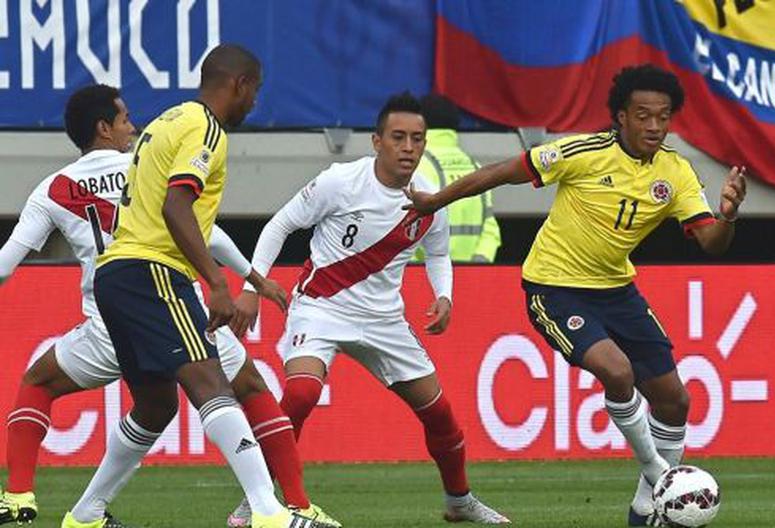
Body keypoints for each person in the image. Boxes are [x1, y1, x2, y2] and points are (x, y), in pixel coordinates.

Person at [405, 65, 747, 526]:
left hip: (617, 290)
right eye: (643, 115)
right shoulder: (582, 151)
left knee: (674, 401)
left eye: (662, 117)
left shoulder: (676, 172)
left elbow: (711, 242)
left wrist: (728, 215)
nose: (653, 126)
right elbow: (501, 172)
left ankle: (646, 510)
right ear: (621, 117)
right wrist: (435, 200)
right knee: (617, 370)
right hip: (555, 287)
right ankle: (659, 473)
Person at [0, 86, 340, 528]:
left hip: (109, 319)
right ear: (104, 127)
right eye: (123, 119)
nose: (132, 127)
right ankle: (284, 508)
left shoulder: (53, 189)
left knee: (75, 388)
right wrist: (250, 279)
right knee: (242, 388)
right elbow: (206, 232)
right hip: (167, 294)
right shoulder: (145, 161)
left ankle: (33, 499)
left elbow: (7, 263)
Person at [237, 92, 509, 524]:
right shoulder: (339, 181)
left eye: (417, 139)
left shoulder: (430, 200)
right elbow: (281, 224)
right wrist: (253, 286)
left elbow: (437, 254)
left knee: (439, 414)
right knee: (302, 393)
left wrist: (444, 296)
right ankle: (260, 499)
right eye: (398, 137)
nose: (409, 147)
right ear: (376, 141)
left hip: (384, 320)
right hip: (321, 307)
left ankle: (459, 501)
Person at [413, 94, 500, 263]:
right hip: (472, 277)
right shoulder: (475, 167)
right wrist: (478, 266)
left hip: (430, 276)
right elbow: (490, 229)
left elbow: (412, 231)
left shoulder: (417, 166)